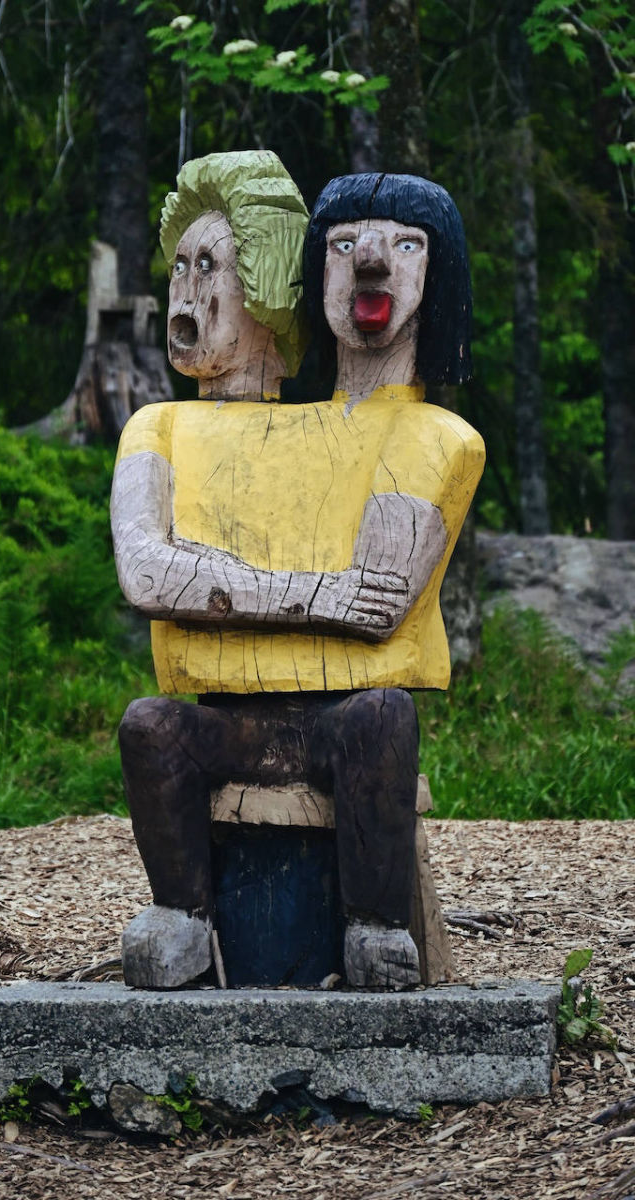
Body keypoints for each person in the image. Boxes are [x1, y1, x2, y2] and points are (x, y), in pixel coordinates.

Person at [111, 165, 484, 990]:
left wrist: (213, 585)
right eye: (343, 246)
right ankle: (183, 913)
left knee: (382, 719)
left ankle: (374, 924)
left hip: (342, 722)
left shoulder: (433, 435)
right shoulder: (166, 426)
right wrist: (314, 593)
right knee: (149, 726)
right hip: (225, 720)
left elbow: (379, 599)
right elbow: (145, 573)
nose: (372, 263)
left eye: (404, 246)